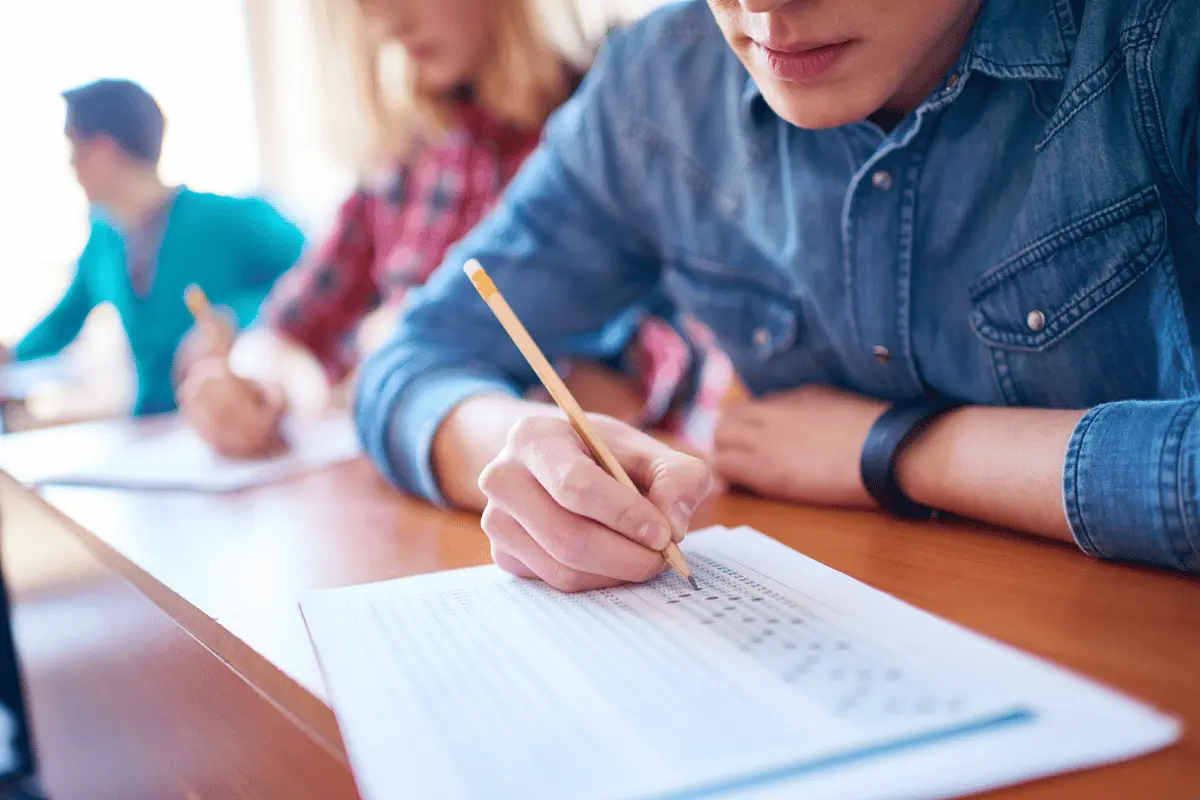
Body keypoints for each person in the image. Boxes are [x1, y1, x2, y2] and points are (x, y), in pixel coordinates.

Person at [355, 0, 1200, 588]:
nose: (762, 9)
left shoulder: (1162, 40)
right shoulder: (657, 87)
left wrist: (902, 453)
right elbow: (412, 359)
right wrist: (522, 452)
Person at [176, 0, 724, 458]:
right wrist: (264, 387)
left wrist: (409, 348)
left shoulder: (618, 122)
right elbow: (293, 327)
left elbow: (665, 354)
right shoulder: (403, 155)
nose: (387, 20)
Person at [0, 79, 304, 417]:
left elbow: (317, 277)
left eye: (74, 147)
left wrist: (235, 318)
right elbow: (64, 321)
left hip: (234, 419)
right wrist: (12, 355)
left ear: (103, 151)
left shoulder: (230, 219)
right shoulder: (104, 239)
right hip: (150, 426)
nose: (71, 166)